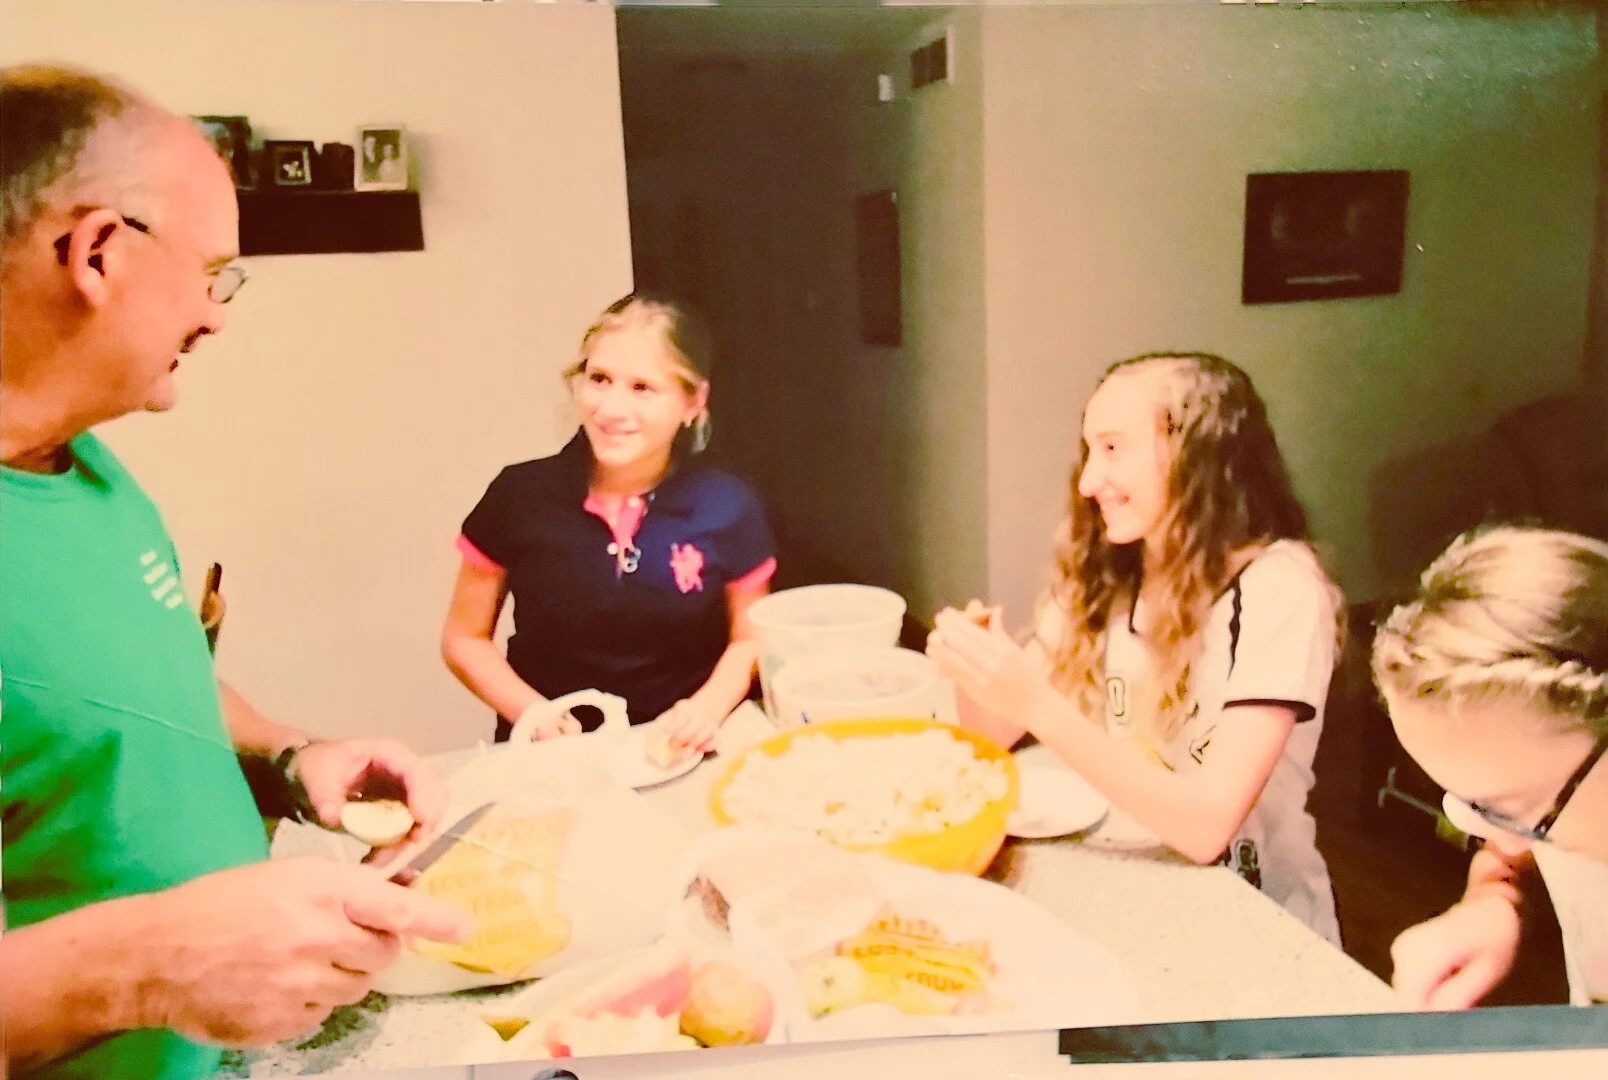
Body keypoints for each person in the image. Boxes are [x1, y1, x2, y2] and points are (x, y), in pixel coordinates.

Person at [0, 64, 472, 1080]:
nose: (217, 316)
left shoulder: (82, 466)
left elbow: (127, 685)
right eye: (213, 272)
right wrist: (142, 970)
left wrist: (291, 759)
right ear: (94, 252)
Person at [927, 352, 1346, 945]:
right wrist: (979, 674)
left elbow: (1206, 828)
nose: (1087, 481)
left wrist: (1036, 705)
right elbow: (989, 734)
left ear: (1195, 456)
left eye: (1113, 449)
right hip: (1140, 897)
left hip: (1257, 922)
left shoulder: (1279, 589)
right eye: (1088, 451)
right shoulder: (1111, 573)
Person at [442, 293, 775, 757]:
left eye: (642, 388)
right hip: (549, 755)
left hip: (679, 749)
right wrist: (533, 714)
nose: (611, 409)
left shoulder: (727, 505)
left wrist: (705, 711)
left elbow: (750, 638)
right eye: (599, 379)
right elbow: (463, 638)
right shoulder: (519, 496)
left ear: (692, 402)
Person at [1371, 525, 1608, 1009]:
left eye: (1503, 809)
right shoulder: (1571, 790)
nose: (1474, 829)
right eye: (1465, 804)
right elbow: (1516, 852)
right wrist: (1497, 899)